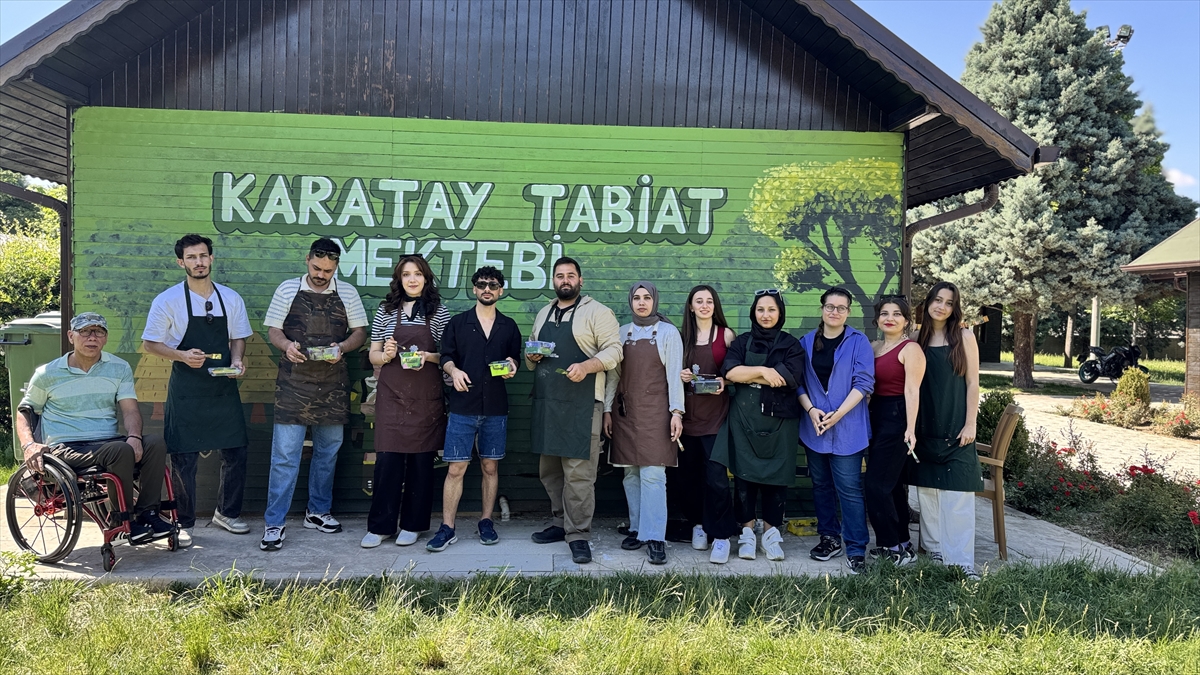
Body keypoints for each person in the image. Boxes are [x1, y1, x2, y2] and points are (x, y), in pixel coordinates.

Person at [16, 312, 174, 544]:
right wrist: (29, 445)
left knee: (155, 443)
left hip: (108, 443)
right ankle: (121, 522)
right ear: (71, 336)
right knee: (119, 450)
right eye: (85, 331)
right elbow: (25, 411)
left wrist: (134, 436)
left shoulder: (118, 368)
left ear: (105, 338)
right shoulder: (47, 374)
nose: (92, 337)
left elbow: (130, 410)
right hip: (66, 447)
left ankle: (148, 514)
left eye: (98, 331)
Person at [142, 234, 253, 548]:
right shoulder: (167, 300)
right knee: (183, 457)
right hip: (187, 388)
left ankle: (226, 513)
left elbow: (239, 336)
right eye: (191, 257)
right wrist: (181, 355)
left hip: (222, 386)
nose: (199, 262)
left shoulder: (230, 298)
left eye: (203, 256)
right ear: (181, 262)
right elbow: (150, 342)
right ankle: (183, 521)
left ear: (212, 259)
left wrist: (236, 360)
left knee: (236, 451)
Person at [260, 238, 368, 551]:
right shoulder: (286, 289)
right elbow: (273, 330)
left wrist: (342, 348)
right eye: (317, 268)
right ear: (307, 260)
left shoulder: (347, 292)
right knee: (284, 457)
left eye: (328, 270)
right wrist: (286, 346)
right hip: (293, 384)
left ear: (336, 267)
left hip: (333, 385)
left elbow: (360, 332)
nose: (322, 275)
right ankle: (274, 523)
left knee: (328, 452)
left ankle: (317, 511)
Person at [527, 257, 622, 564]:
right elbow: (532, 354)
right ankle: (560, 523)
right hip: (548, 402)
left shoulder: (598, 312)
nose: (564, 280)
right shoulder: (543, 312)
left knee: (579, 474)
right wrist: (532, 355)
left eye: (570, 275)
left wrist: (586, 365)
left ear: (581, 281)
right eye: (559, 276)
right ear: (553, 281)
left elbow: (614, 351)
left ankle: (578, 534)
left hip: (583, 404)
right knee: (550, 471)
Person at [427, 266, 522, 551]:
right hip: (462, 406)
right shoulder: (458, 323)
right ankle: (448, 527)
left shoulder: (510, 326)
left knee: (490, 466)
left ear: (501, 290)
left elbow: (514, 359)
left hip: (495, 407)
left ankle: (486, 521)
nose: (487, 289)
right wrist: (453, 370)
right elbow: (446, 356)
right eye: (481, 284)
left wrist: (512, 367)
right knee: (456, 468)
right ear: (474, 289)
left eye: (492, 285)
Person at [359, 255, 450, 549]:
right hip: (392, 397)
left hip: (425, 398)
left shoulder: (439, 313)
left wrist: (429, 356)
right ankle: (380, 526)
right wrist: (385, 354)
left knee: (422, 463)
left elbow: (448, 356)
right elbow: (373, 355)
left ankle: (413, 525)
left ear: (426, 278)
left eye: (418, 274)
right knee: (387, 461)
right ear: (398, 279)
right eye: (406, 274)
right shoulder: (385, 311)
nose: (412, 279)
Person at [713, 290, 806, 562]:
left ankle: (771, 535)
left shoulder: (791, 345)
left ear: (780, 313)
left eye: (772, 310)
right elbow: (729, 372)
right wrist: (766, 371)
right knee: (744, 479)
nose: (766, 315)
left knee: (777, 479)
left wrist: (749, 375)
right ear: (754, 312)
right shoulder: (741, 342)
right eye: (761, 309)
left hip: (781, 423)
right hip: (744, 420)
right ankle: (746, 535)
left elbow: (791, 378)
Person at [603, 282, 685, 565]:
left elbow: (675, 375)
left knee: (653, 475)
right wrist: (606, 410)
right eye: (636, 298)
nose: (641, 302)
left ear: (655, 300)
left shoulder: (667, 332)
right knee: (630, 474)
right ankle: (637, 528)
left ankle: (656, 537)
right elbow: (613, 375)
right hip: (625, 413)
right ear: (630, 301)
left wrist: (677, 412)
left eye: (647, 297)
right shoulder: (621, 332)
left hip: (656, 413)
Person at [798, 286, 875, 574]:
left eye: (841, 308)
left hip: (848, 429)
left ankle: (856, 548)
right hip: (814, 427)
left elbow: (864, 383)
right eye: (830, 306)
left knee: (850, 489)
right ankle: (829, 539)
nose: (835, 312)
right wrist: (811, 410)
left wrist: (838, 415)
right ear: (822, 309)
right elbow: (799, 383)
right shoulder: (806, 342)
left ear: (848, 312)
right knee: (821, 486)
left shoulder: (859, 341)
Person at [911, 281, 982, 579]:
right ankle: (935, 551)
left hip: (956, 426)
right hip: (925, 426)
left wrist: (971, 423)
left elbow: (973, 383)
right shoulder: (916, 340)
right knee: (927, 492)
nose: (941, 306)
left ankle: (963, 563)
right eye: (937, 300)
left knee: (959, 496)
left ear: (955, 308)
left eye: (948, 302)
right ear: (927, 303)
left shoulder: (964, 337)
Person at [676, 285, 739, 564]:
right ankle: (699, 525)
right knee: (688, 479)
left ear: (716, 306)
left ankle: (722, 536)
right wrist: (682, 375)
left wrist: (725, 381)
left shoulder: (725, 335)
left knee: (716, 479)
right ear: (690, 306)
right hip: (687, 418)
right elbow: (670, 375)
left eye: (709, 301)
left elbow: (737, 372)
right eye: (698, 301)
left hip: (717, 418)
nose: (704, 305)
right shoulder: (681, 338)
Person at [865, 296, 925, 566]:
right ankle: (902, 543)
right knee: (891, 487)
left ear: (906, 320)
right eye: (885, 313)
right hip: (874, 417)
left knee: (876, 486)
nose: (890, 318)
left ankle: (892, 546)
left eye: (897, 314)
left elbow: (912, 390)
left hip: (897, 418)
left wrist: (910, 430)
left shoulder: (910, 349)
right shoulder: (874, 346)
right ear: (877, 319)